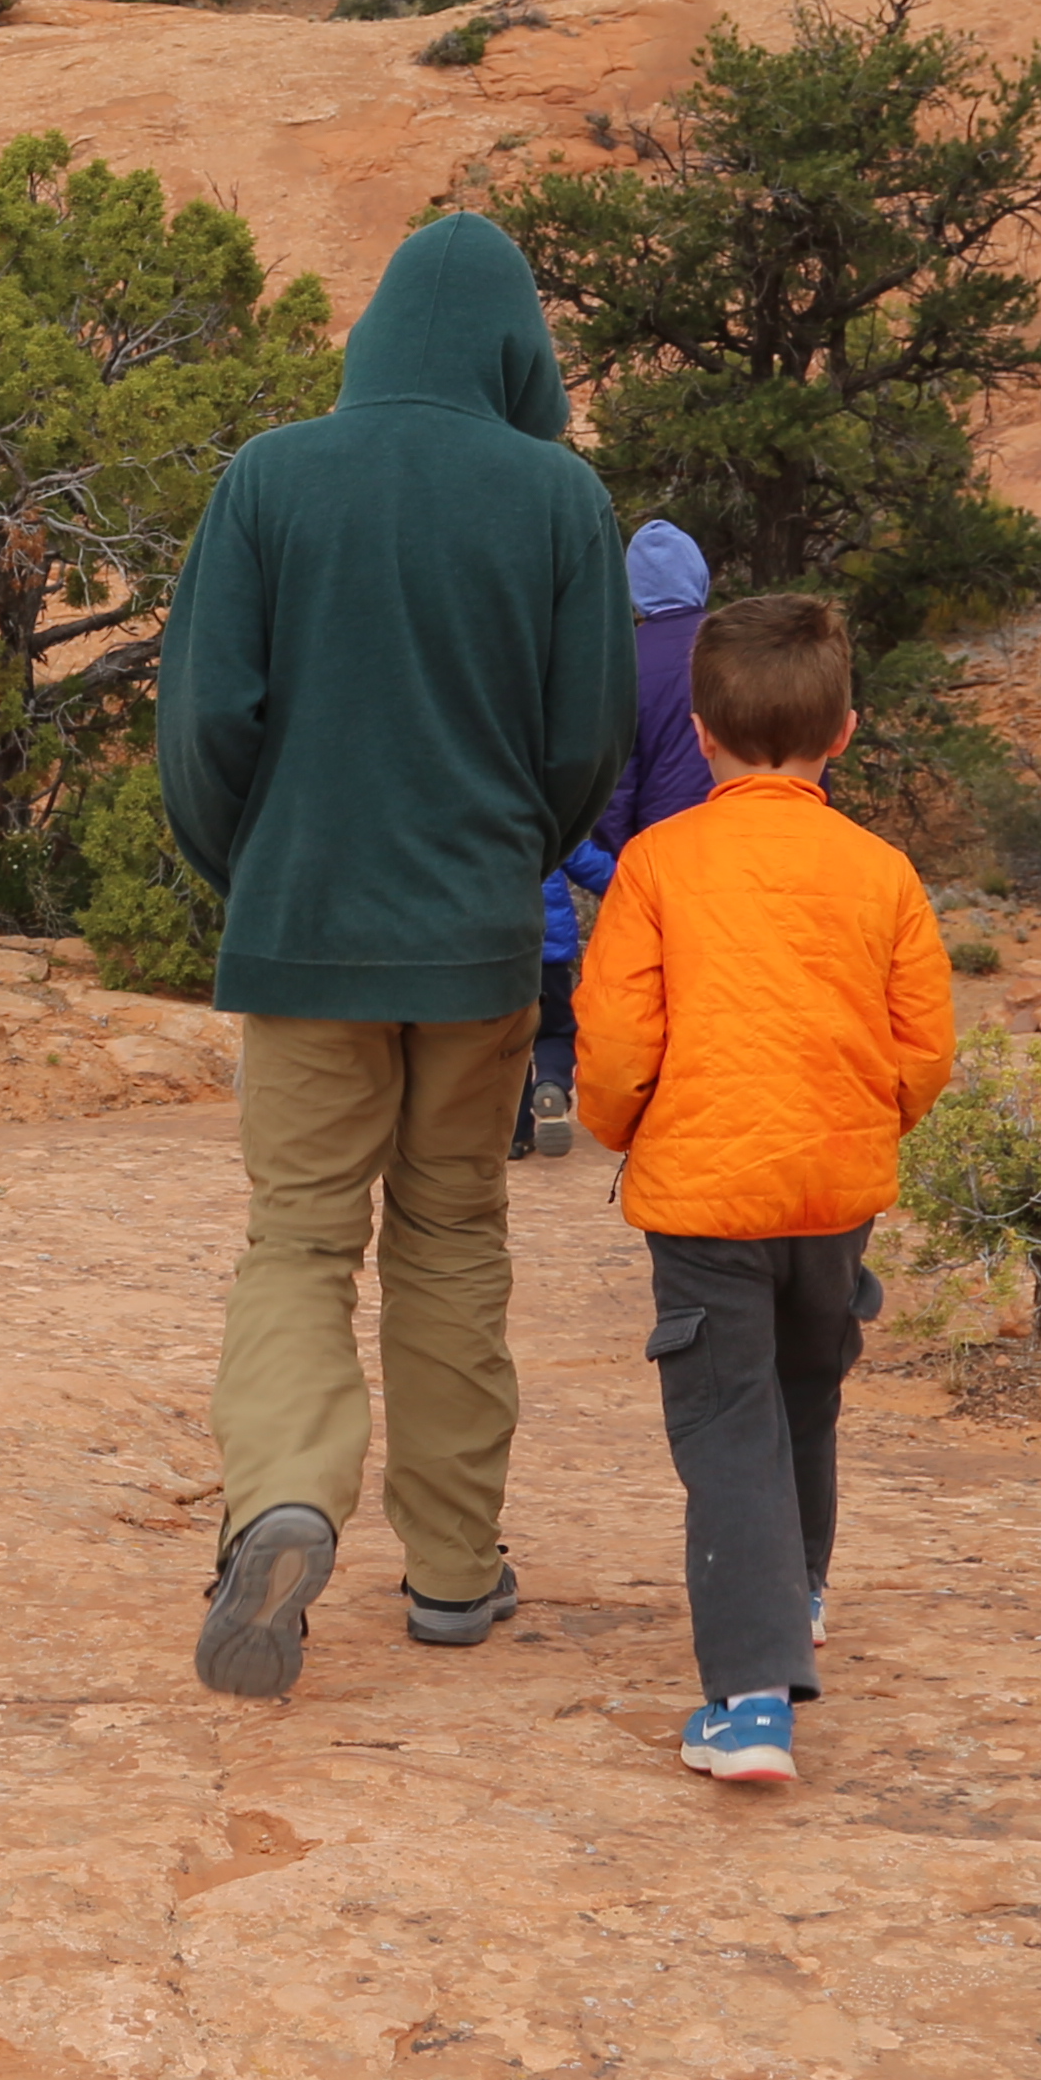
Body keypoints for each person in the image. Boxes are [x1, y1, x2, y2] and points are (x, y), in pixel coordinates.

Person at [155, 213, 633, 1700]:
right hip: (479, 950)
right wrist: (506, 864)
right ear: (516, 350)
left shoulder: (269, 478)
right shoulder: (560, 498)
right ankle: (451, 1572)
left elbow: (204, 724)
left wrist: (262, 873)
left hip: (304, 935)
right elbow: (584, 746)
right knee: (451, 1239)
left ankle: (287, 1498)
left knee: (300, 1236)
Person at [573, 589, 956, 1787]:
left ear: (698, 731)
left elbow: (620, 1044)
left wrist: (621, 1127)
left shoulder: (657, 865)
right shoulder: (880, 871)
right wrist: (865, 1117)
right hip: (835, 1189)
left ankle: (750, 1703)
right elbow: (926, 1041)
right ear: (845, 731)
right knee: (806, 1388)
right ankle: (800, 1588)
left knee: (727, 1423)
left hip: (704, 1196)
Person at [516, 518, 715, 1162]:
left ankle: (650, 1103)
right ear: (700, 577)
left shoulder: (621, 662)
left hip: (653, 851)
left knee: (652, 986)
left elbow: (615, 772)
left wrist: (614, 853)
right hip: (740, 838)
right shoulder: (733, 648)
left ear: (632, 593)